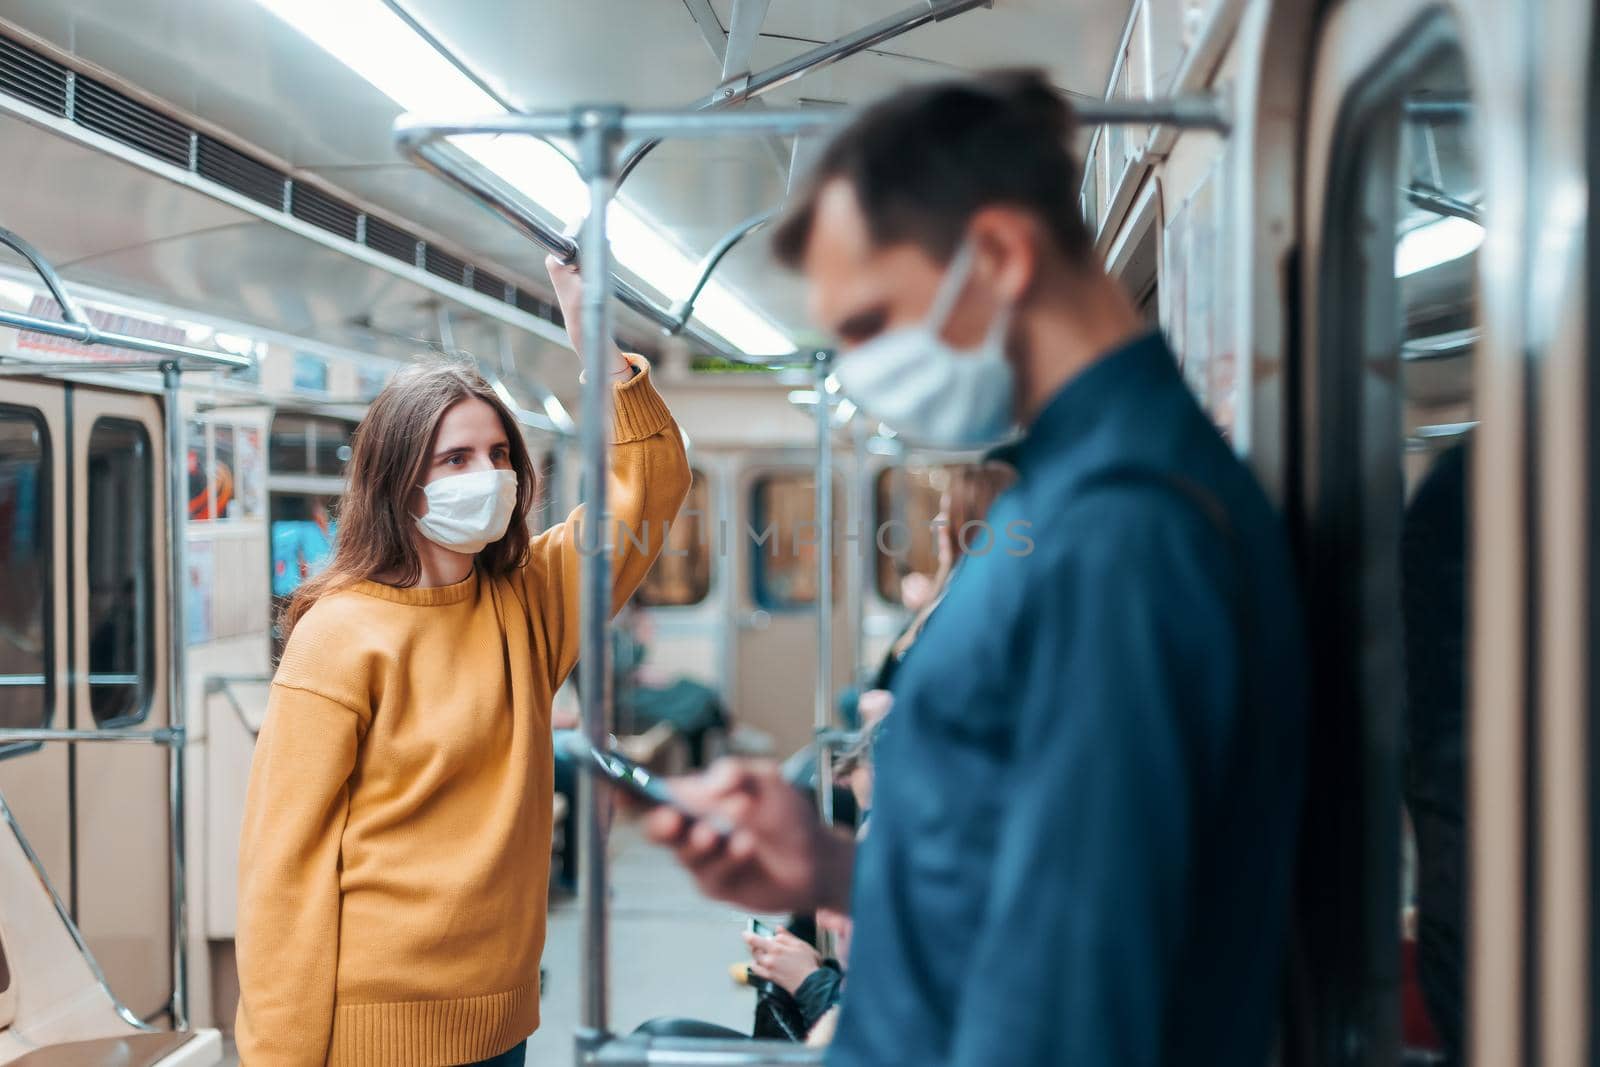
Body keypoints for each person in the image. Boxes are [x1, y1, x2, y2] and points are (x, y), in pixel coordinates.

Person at [644, 69, 1308, 1066]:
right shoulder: (1061, 497)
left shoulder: (1120, 537)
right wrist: (826, 858)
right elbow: (1017, 876)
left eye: (871, 323)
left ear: (997, 253)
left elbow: (1075, 981)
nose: (864, 364)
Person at [234, 256, 691, 1066]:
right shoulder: (341, 633)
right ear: (398, 481)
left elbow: (649, 492)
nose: (490, 476)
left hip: (499, 1019)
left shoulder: (530, 599)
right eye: (455, 459)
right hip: (369, 1024)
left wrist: (605, 359)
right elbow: (284, 866)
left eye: (499, 454)